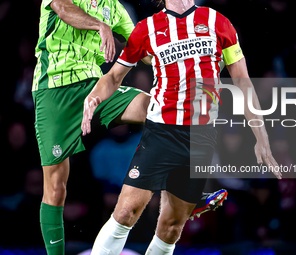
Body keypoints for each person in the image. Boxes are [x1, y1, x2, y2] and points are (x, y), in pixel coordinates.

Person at [81, 0, 282, 254]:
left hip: (201, 137)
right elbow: (113, 76)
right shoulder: (147, 28)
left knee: (172, 226)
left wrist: (260, 134)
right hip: (161, 132)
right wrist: (94, 97)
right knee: (125, 212)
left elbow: (243, 81)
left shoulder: (217, 22)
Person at [32, 0, 225, 254]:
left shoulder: (116, 9)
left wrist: (184, 54)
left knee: (158, 106)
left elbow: (144, 48)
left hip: (94, 86)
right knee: (56, 187)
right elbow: (63, 9)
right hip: (54, 91)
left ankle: (185, 190)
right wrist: (100, 25)